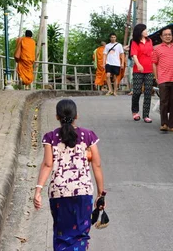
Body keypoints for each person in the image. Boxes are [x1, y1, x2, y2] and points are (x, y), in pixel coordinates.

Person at [33, 99, 105, 251]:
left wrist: (38, 190)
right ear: (76, 116)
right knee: (80, 234)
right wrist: (100, 193)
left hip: (58, 192)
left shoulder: (50, 138)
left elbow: (47, 164)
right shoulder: (88, 136)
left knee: (62, 233)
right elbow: (96, 165)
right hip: (83, 192)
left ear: (57, 117)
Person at [152, 27, 173, 133]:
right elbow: (154, 63)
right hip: (163, 78)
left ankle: (172, 125)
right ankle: (164, 124)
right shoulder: (157, 48)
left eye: (169, 35)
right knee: (164, 102)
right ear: (161, 37)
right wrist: (156, 77)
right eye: (165, 35)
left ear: (172, 36)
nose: (168, 36)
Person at [130, 24, 154, 123]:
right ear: (140, 31)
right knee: (137, 92)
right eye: (145, 29)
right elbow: (134, 55)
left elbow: (152, 53)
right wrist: (138, 64)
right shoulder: (134, 42)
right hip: (138, 70)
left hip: (149, 69)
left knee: (148, 92)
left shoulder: (150, 41)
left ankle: (146, 115)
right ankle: (135, 112)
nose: (146, 31)